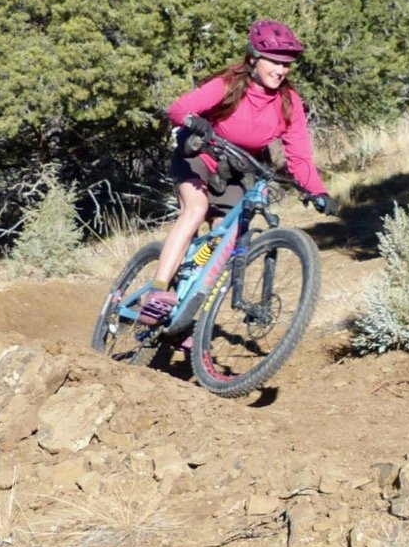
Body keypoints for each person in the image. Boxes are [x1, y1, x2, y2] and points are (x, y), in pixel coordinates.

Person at [139, 19, 332, 324]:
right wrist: (193, 121)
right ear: (253, 58)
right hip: (200, 157)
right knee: (196, 208)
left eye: (287, 64)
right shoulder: (229, 85)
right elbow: (178, 109)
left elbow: (300, 156)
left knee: (224, 241)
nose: (281, 70)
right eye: (275, 62)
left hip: (238, 169)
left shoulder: (288, 102)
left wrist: (317, 190)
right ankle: (159, 292)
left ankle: (191, 315)